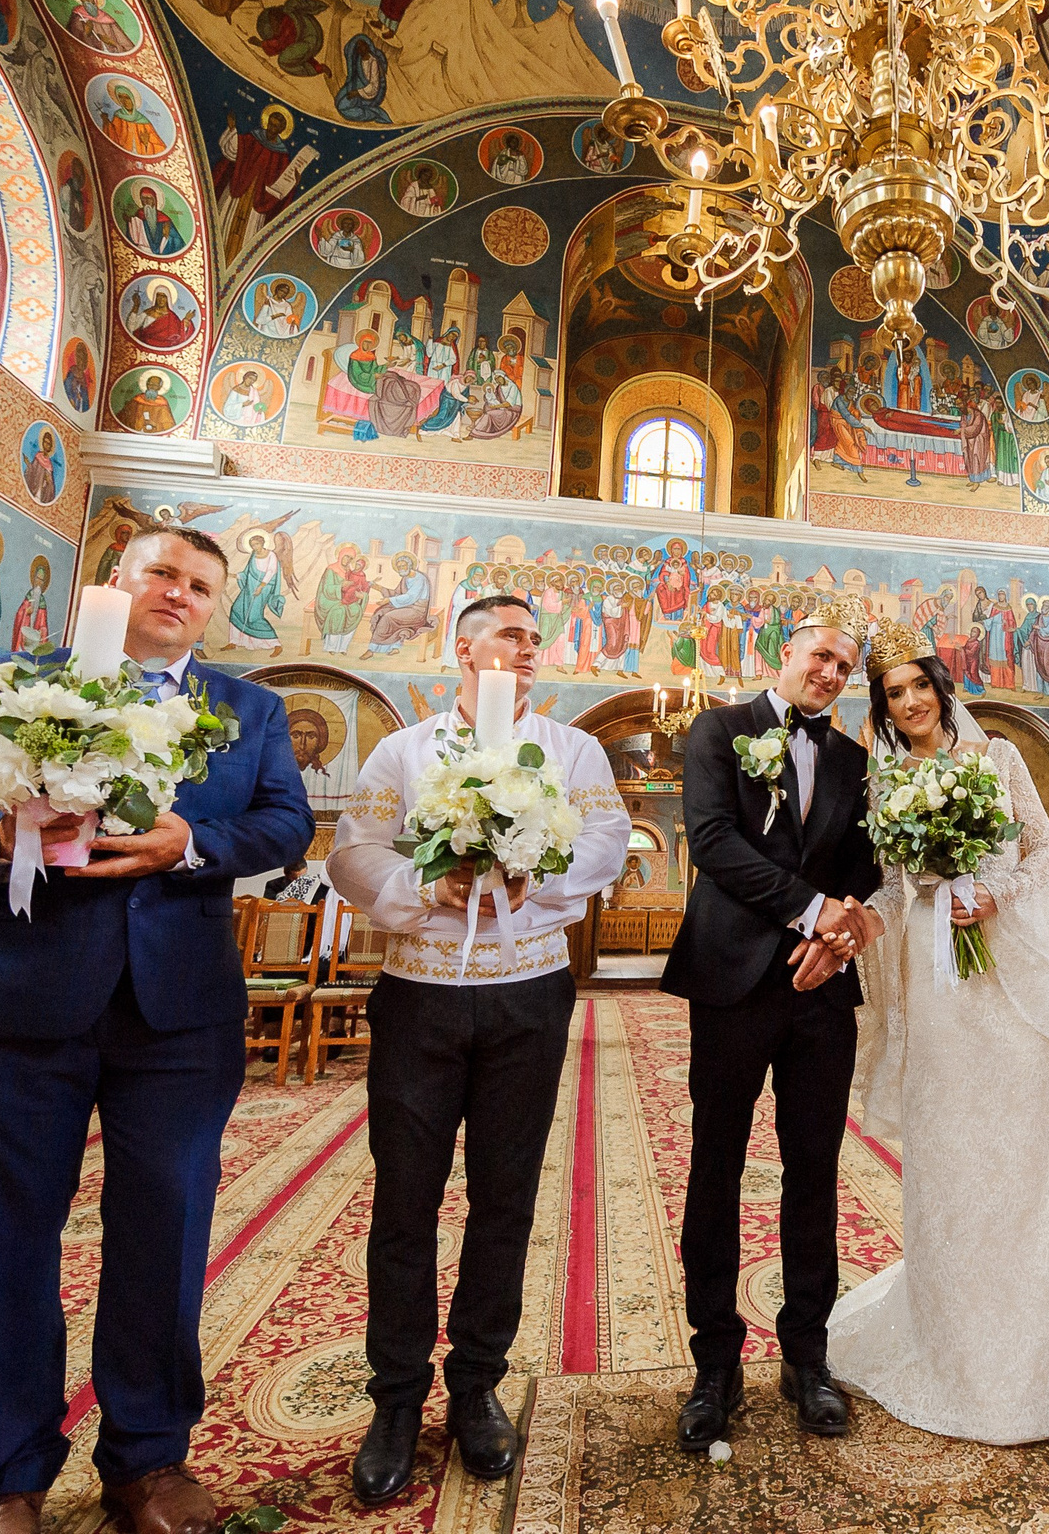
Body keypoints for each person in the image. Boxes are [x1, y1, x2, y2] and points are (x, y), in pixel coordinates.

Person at [0, 528, 315, 1534]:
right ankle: (7, 1477)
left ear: (214, 609)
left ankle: (148, 1462)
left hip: (178, 1012)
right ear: (116, 581)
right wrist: (1, 832)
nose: (180, 593)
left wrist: (191, 842)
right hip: (12, 1000)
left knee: (166, 1229)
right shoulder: (8, 680)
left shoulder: (247, 710)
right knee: (0, 1237)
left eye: (201, 586)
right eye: (162, 572)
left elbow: (284, 825)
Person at [826, 624, 1049, 1443]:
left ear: (941, 688)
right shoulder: (884, 781)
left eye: (919, 685)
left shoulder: (1000, 760)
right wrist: (868, 920)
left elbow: (1044, 857)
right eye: (893, 693)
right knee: (949, 1150)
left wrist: (993, 894)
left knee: (1021, 1146)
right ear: (883, 707)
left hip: (1003, 975)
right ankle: (954, 1338)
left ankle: (1041, 1340)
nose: (910, 702)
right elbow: (898, 886)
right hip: (936, 985)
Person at [328, 596, 632, 1495]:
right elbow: (354, 853)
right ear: (463, 648)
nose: (529, 649)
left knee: (505, 1196)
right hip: (420, 994)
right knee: (405, 1198)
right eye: (510, 635)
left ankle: (476, 1386)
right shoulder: (403, 751)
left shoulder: (572, 751)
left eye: (536, 639)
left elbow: (608, 840)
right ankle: (395, 1398)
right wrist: (429, 886)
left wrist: (536, 875)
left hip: (528, 992)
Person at [665, 602, 884, 1450]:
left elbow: (862, 868)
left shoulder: (856, 760)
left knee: (814, 1171)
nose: (830, 673)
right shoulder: (719, 731)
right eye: (821, 655)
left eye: (844, 667)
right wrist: (807, 909)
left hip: (821, 990)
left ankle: (806, 1355)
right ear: (785, 653)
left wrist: (835, 934)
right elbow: (713, 841)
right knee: (715, 1166)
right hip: (731, 979)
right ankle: (715, 1363)